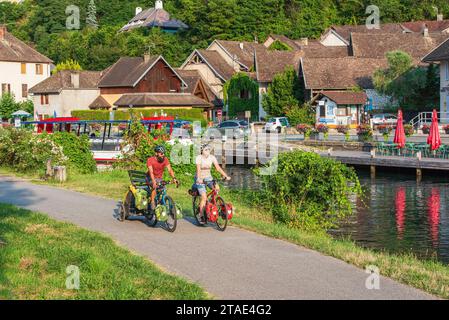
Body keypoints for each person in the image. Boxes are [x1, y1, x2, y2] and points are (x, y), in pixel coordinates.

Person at [194, 144, 231, 223]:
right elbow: (198, 170)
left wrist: (225, 176)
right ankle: (201, 216)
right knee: (204, 197)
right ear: (202, 151)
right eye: (205, 150)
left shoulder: (212, 157)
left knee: (216, 188)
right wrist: (199, 179)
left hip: (208, 177)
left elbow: (218, 168)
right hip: (200, 178)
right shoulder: (199, 158)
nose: (208, 151)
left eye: (208, 150)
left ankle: (211, 205)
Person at [147, 145, 178, 211]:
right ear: (156, 153)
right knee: (155, 187)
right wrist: (153, 181)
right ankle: (152, 202)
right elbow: (151, 172)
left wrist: (174, 178)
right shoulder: (150, 160)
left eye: (163, 153)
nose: (163, 155)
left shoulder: (165, 159)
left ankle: (161, 203)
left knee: (163, 188)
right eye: (161, 153)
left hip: (159, 178)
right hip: (149, 177)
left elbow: (170, 170)